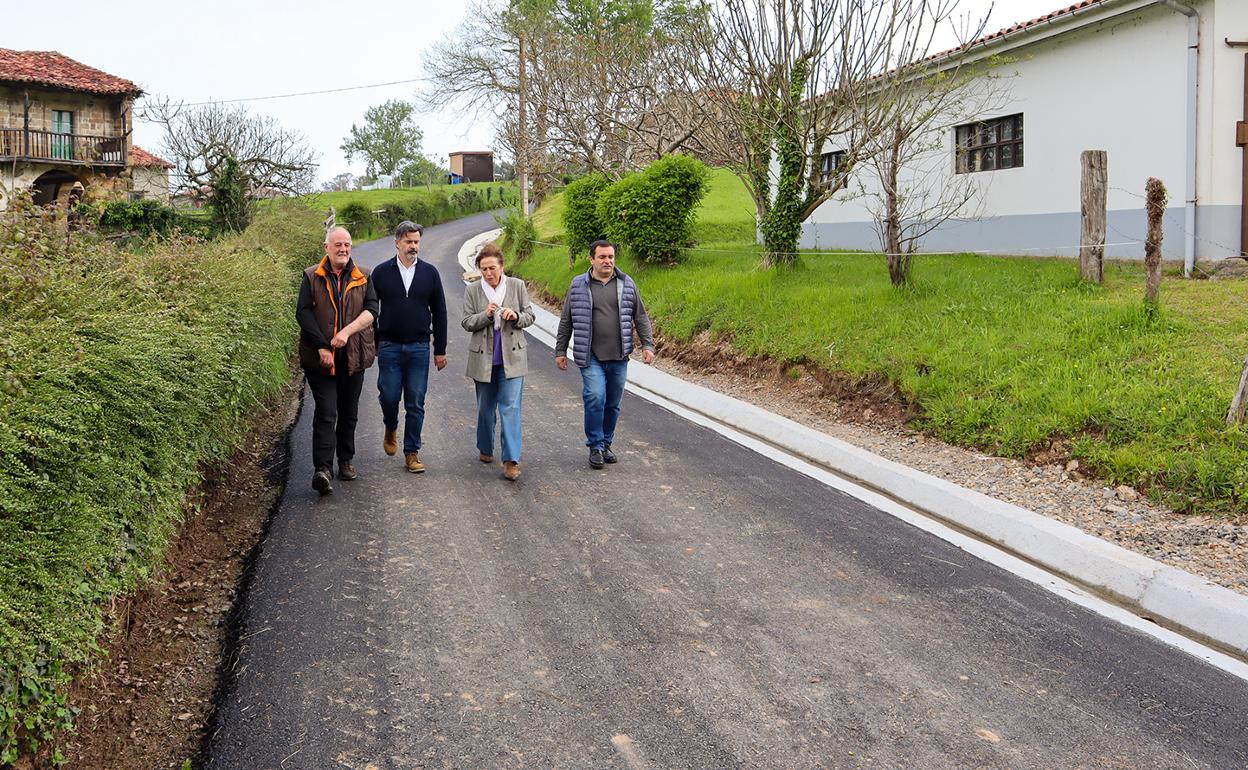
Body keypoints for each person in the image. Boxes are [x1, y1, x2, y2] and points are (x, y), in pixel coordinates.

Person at [555, 240, 656, 469]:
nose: (607, 261)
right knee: (595, 397)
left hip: (619, 356)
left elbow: (640, 316)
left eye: (610, 257)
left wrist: (647, 345)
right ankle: (595, 446)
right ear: (591, 259)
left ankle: (606, 442)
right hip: (590, 356)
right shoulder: (578, 285)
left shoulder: (626, 283)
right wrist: (560, 350)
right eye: (602, 257)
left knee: (612, 403)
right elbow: (566, 320)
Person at [296, 226, 378, 495]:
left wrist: (346, 332)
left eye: (347, 245)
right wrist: (321, 346)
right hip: (320, 360)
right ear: (326, 248)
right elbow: (303, 313)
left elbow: (372, 310)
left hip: (353, 355)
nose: (343, 249)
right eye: (338, 245)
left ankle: (345, 460)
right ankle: (323, 469)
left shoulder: (363, 275)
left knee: (349, 412)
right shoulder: (311, 276)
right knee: (326, 412)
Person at [371, 221, 448, 473]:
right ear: (397, 243)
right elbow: (371, 310)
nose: (413, 246)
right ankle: (390, 426)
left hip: (419, 347)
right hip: (389, 346)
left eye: (416, 241)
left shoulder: (430, 273)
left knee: (415, 401)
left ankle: (412, 452)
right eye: (408, 242)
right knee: (390, 396)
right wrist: (374, 344)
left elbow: (440, 312)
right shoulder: (381, 273)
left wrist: (440, 349)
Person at [461, 242, 535, 481]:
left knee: (510, 408)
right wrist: (486, 315)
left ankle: (511, 460)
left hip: (512, 356)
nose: (488, 273)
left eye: (492, 267)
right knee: (485, 407)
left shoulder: (517, 286)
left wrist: (515, 316)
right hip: (483, 356)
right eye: (483, 269)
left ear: (502, 266)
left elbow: (530, 315)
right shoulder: (473, 290)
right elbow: (466, 322)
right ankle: (485, 446)